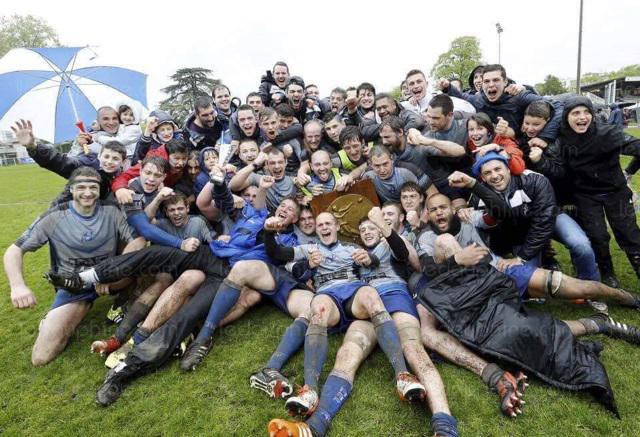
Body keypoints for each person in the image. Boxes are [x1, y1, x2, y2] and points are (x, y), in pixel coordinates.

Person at [264, 211, 427, 416]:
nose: (324, 227)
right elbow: (276, 253)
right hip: (328, 294)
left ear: (337, 227)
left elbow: (379, 260)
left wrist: (369, 258)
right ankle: (310, 390)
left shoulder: (352, 248)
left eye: (328, 223)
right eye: (320, 224)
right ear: (316, 229)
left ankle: (403, 376)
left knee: (371, 295)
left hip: (353, 292)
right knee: (319, 309)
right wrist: (269, 233)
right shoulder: (308, 249)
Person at [3, 167, 136, 366]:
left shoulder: (112, 211)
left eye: (93, 187)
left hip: (109, 277)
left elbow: (137, 241)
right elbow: (14, 251)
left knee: (146, 269)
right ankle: (55, 317)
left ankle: (125, 304)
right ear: (71, 189)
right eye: (81, 187)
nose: (88, 192)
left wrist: (119, 273)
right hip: (75, 285)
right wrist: (18, 286)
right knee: (41, 357)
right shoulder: (54, 216)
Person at [551, 97, 640, 285]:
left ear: (593, 115)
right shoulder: (562, 139)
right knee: (597, 235)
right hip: (586, 195)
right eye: (576, 113)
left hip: (615, 192)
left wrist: (629, 172)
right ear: (567, 117)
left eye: (586, 112)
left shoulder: (607, 133)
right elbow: (555, 168)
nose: (582, 117)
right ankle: (607, 274)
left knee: (629, 235)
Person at [12, 120, 126, 204]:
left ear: (123, 162)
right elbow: (61, 162)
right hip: (64, 210)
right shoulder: (88, 163)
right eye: (106, 156)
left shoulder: (121, 174)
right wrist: (33, 146)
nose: (110, 161)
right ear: (100, 155)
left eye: (115, 158)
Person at [402, 69, 475, 115]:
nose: (415, 86)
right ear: (408, 88)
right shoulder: (406, 106)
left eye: (419, 81)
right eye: (412, 83)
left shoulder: (442, 100)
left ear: (426, 84)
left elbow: (471, 110)